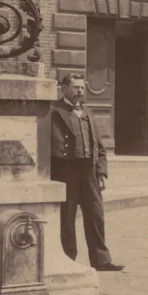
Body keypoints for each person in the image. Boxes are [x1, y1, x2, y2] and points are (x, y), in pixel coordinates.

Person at [50, 72, 124, 271]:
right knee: (67, 217)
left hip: (89, 172)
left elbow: (99, 146)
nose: (80, 91)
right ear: (64, 88)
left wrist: (101, 172)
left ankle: (101, 260)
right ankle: (68, 259)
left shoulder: (88, 112)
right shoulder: (53, 111)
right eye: (76, 87)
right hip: (66, 171)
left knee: (96, 215)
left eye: (82, 88)